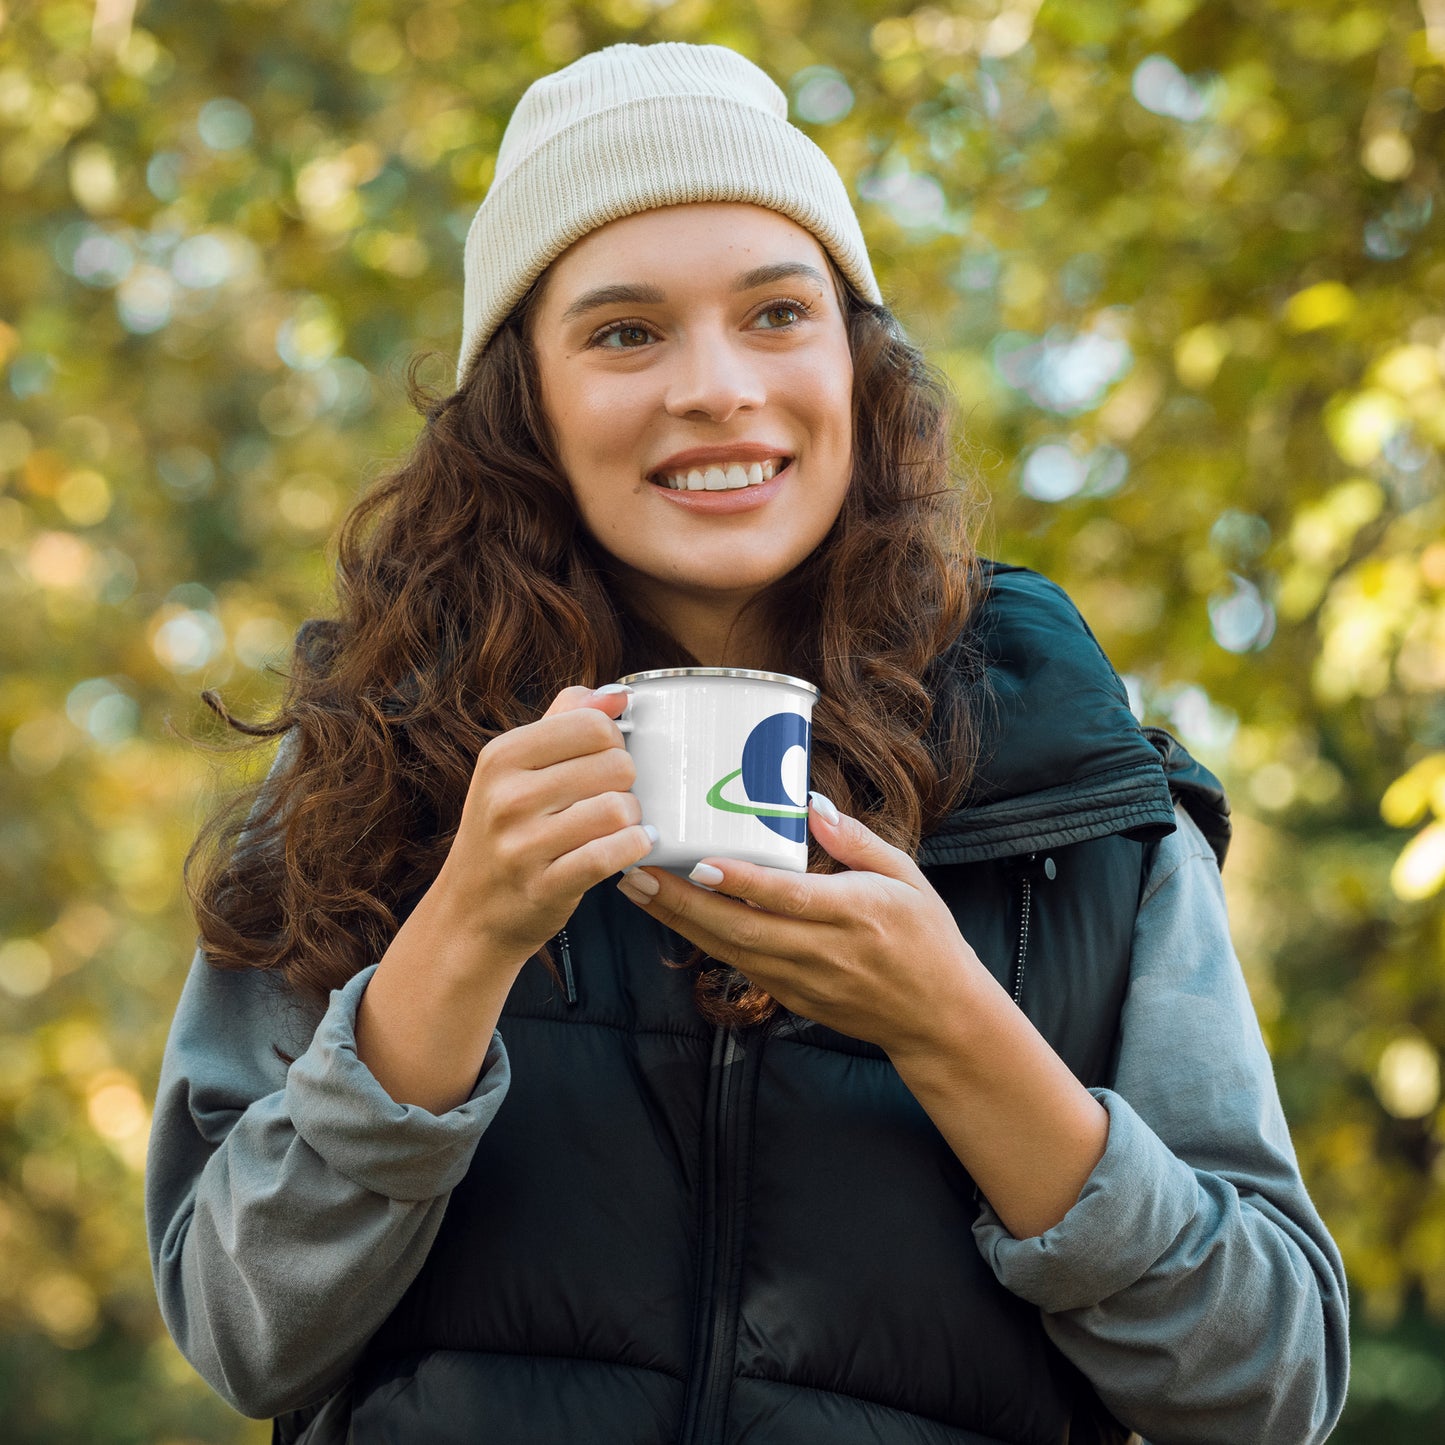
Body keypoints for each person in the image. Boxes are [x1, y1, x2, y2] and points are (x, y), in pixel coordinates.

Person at [146, 40, 1349, 1445]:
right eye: (623, 331)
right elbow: (240, 1334)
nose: (716, 386)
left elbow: (1268, 1385)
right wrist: (460, 936)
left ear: (856, 362)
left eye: (777, 313)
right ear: (522, 400)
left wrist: (949, 1023)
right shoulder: (372, 768)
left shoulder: (1073, 795)